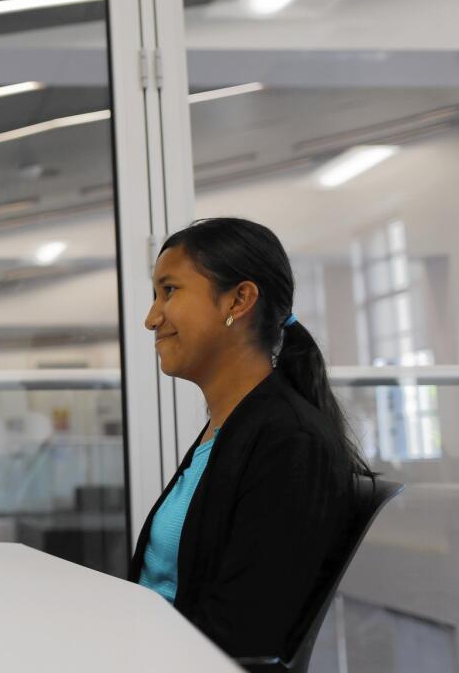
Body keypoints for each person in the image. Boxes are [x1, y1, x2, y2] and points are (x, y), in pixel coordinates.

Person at [131, 217, 373, 660]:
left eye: (169, 290)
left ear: (239, 300)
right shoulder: (229, 429)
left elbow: (242, 634)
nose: (152, 318)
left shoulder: (290, 444)